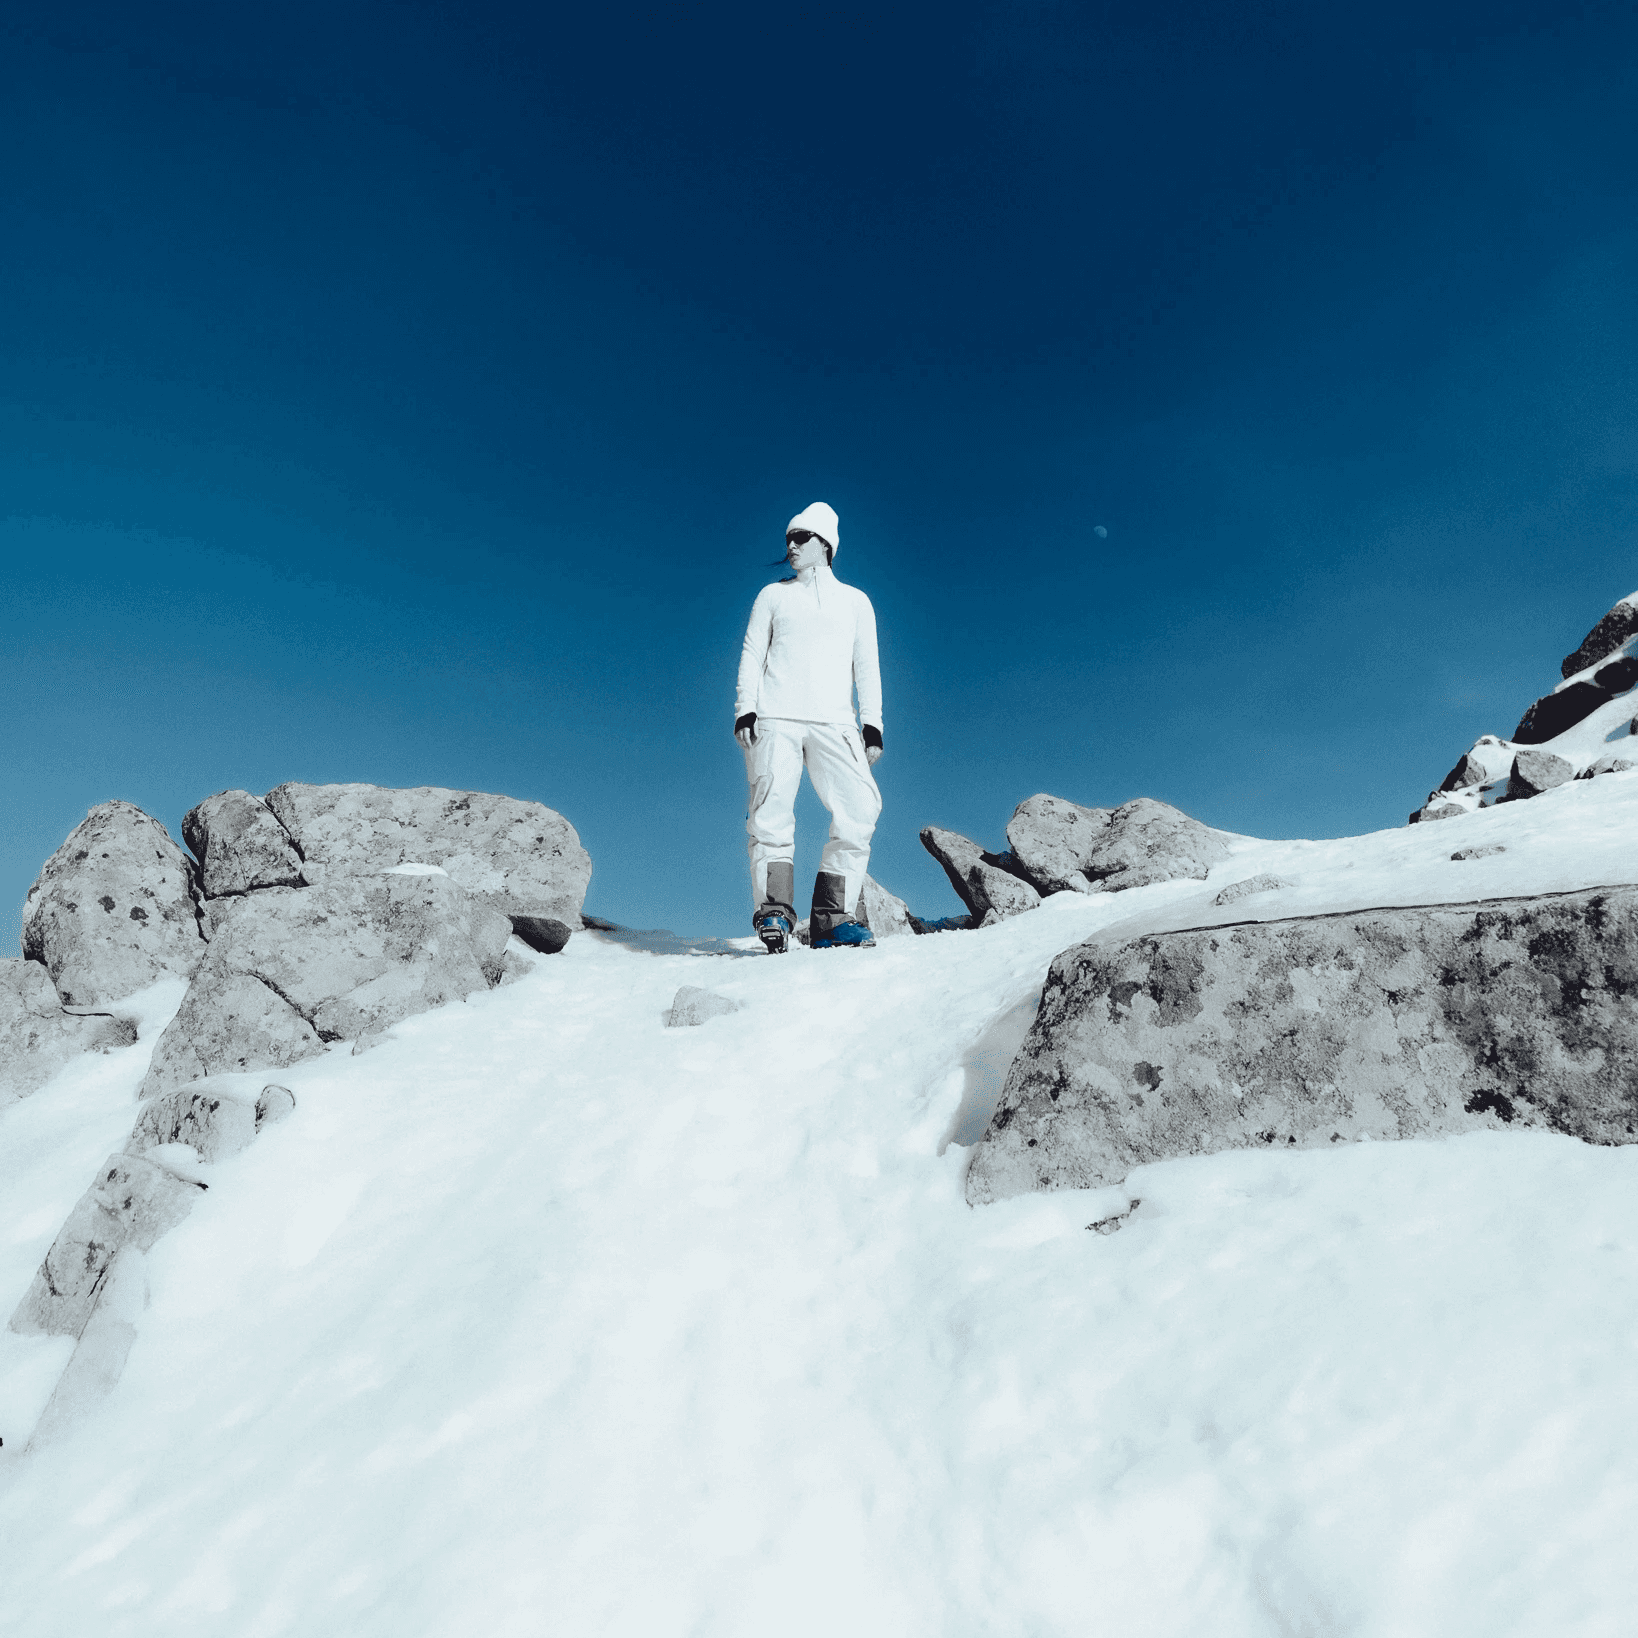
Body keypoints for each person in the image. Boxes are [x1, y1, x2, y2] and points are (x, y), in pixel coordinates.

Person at [734, 501, 884, 953]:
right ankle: (775, 913)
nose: (791, 545)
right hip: (775, 718)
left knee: (860, 809)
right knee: (770, 815)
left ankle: (833, 919)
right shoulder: (773, 596)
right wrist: (746, 709)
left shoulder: (856, 601)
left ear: (826, 544)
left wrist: (872, 723)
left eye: (801, 537)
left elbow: (867, 665)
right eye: (788, 538)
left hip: (835, 721)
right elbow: (751, 653)